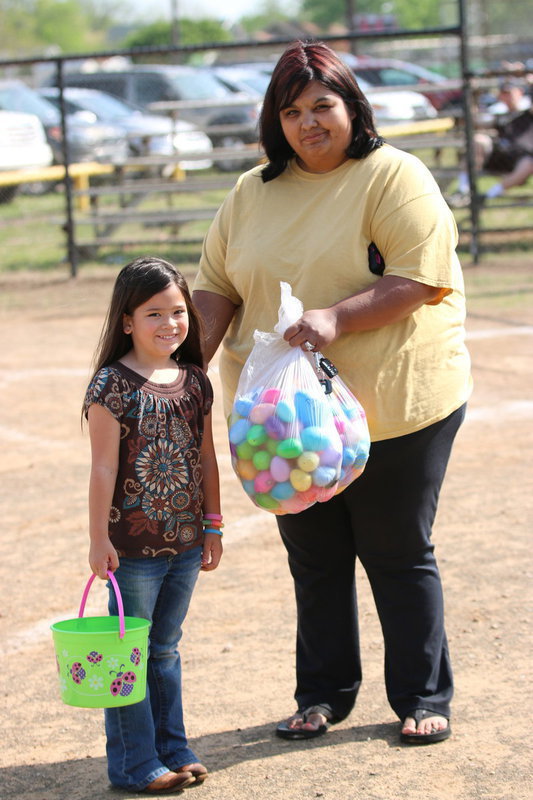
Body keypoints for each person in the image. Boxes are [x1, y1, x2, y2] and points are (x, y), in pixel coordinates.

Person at [192, 41, 472, 746]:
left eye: (323, 105)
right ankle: (322, 695)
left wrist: (335, 318)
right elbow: (217, 285)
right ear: (274, 120)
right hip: (282, 417)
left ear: (352, 106)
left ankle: (420, 695)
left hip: (393, 400)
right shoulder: (251, 190)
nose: (308, 122)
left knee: (394, 547)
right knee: (313, 556)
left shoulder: (391, 176)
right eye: (291, 111)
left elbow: (418, 275)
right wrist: (183, 366)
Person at [84, 256, 223, 793]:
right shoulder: (111, 386)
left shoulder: (194, 381)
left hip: (187, 543)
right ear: (126, 320)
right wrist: (99, 539)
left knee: (164, 648)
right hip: (131, 550)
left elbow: (206, 459)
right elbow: (102, 467)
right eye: (154, 313)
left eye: (178, 311)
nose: (170, 324)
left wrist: (213, 527)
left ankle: (174, 748)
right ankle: (135, 763)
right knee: (130, 655)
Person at [453, 78, 533, 205]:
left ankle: (488, 195)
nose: (507, 96)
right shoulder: (500, 115)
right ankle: (463, 189)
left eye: (510, 92)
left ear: (520, 92)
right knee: (478, 140)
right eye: (504, 93)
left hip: (524, 159)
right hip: (502, 156)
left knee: (529, 162)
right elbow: (474, 122)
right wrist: (473, 94)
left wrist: (528, 79)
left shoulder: (527, 112)